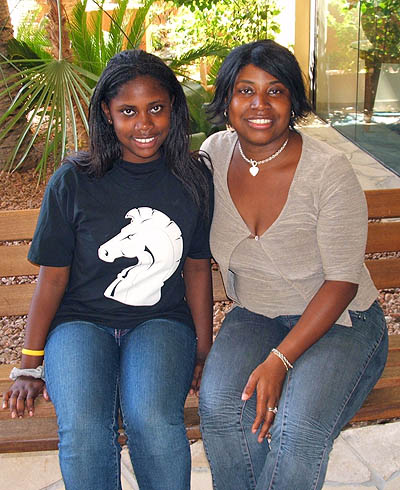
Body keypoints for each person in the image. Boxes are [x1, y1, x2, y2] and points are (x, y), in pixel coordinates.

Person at [2, 49, 213, 490]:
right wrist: (29, 365)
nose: (144, 124)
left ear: (173, 105)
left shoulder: (193, 179)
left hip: (160, 322)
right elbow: (53, 277)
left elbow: (196, 269)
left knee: (152, 419)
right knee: (82, 427)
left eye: (156, 108)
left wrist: (203, 350)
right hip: (80, 323)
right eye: (128, 111)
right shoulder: (73, 181)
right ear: (107, 112)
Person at [198, 39, 388, 490]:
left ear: (294, 102)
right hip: (256, 315)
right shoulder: (214, 154)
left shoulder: (328, 170)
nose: (259, 104)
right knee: (221, 406)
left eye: (275, 91)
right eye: (245, 91)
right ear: (227, 100)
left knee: (297, 429)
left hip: (342, 322)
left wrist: (280, 360)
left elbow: (342, 282)